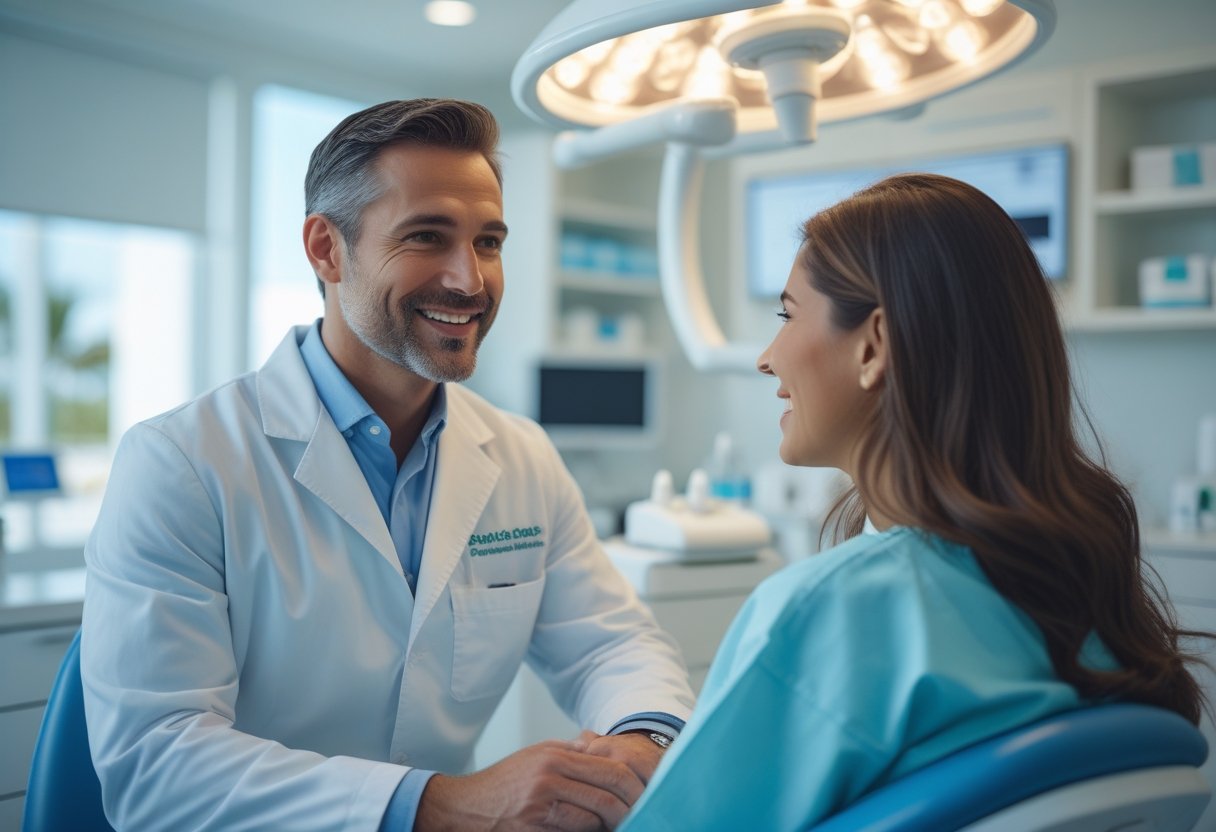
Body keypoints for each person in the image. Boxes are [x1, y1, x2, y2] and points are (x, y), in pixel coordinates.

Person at [81, 98, 695, 832]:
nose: (470, 281)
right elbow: (158, 764)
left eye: (489, 241)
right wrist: (439, 804)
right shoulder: (183, 464)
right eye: (427, 237)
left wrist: (638, 743)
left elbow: (611, 641)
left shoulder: (522, 457)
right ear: (326, 250)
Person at [617, 173, 1209, 830]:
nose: (766, 356)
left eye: (787, 315)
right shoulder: (1077, 580)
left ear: (873, 346)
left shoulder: (836, 611)